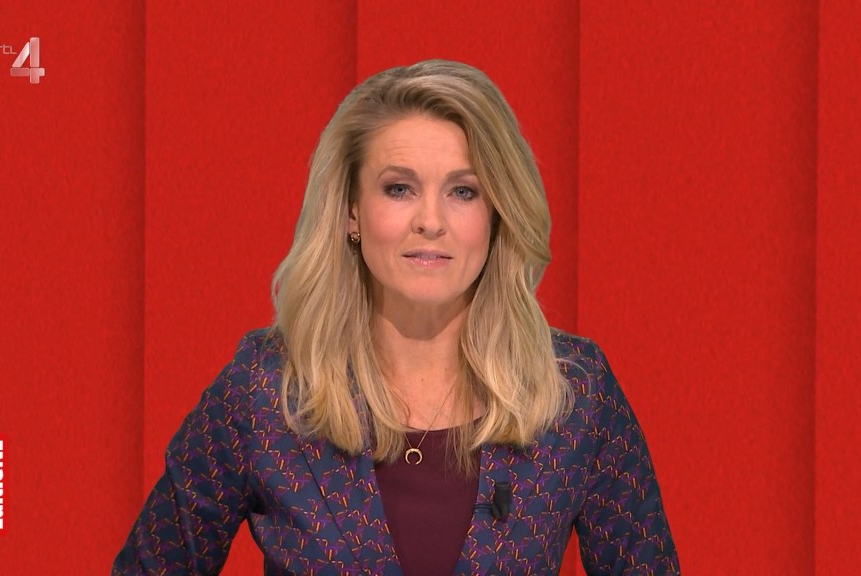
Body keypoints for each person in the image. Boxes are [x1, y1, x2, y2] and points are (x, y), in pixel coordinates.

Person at [113, 59, 679, 575]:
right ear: (352, 213)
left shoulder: (574, 392)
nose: (430, 220)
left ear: (497, 215)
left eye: (463, 191)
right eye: (400, 188)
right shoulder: (267, 391)